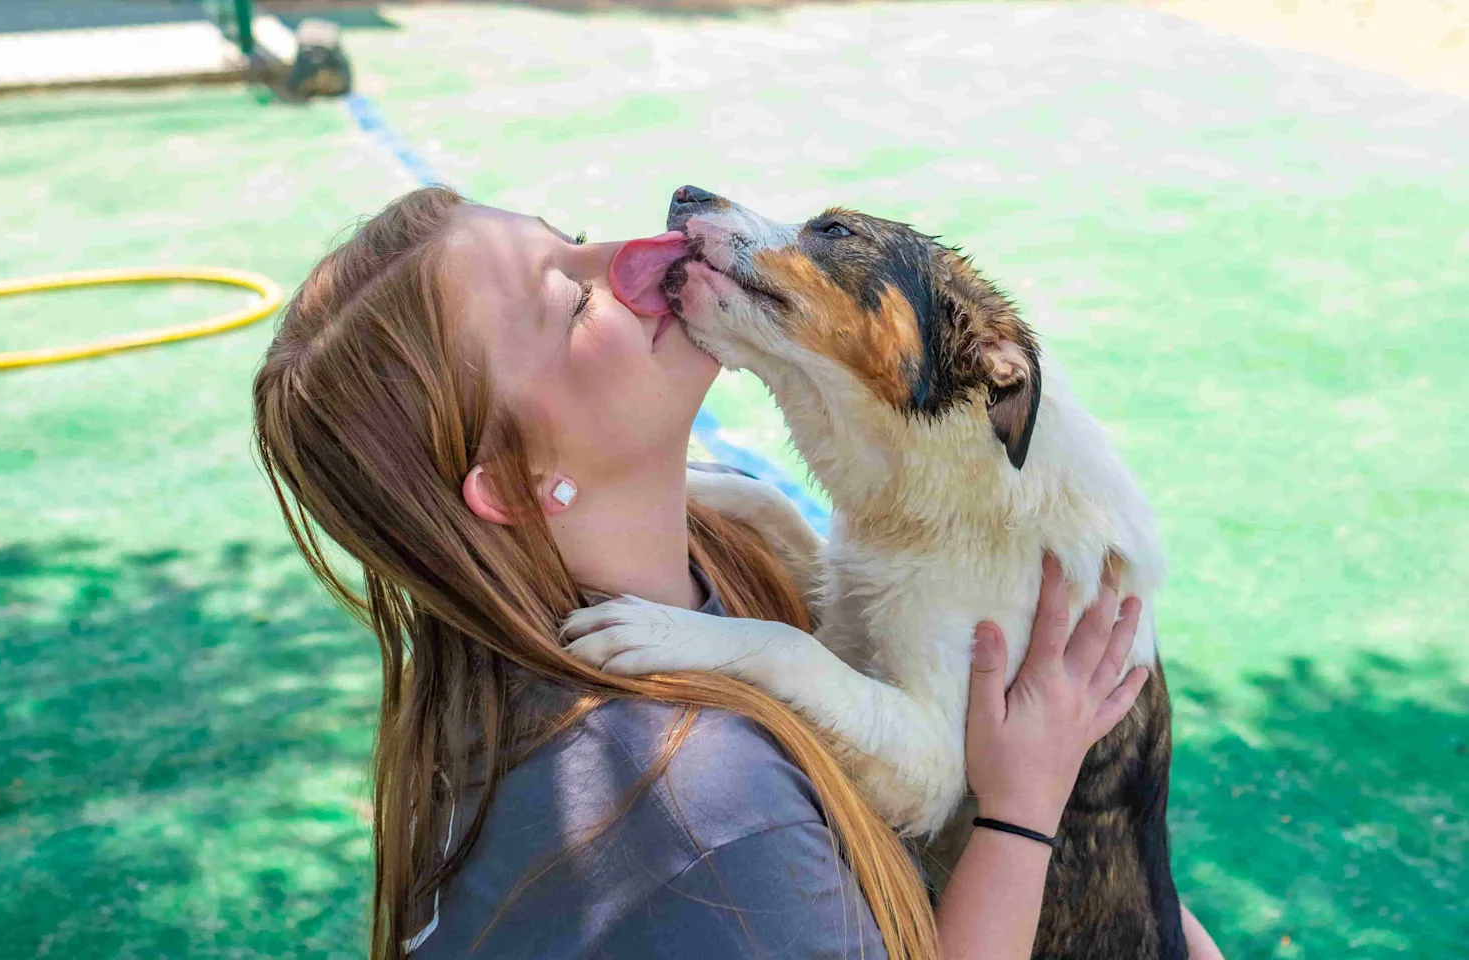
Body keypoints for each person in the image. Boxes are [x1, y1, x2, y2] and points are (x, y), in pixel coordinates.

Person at [252, 187, 1223, 960]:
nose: (633, 251)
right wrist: (1022, 810)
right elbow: (916, 782)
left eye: (575, 239)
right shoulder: (715, 827)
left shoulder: (710, 552)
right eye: (571, 299)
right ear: (512, 483)